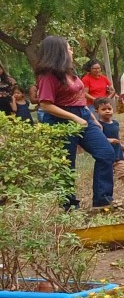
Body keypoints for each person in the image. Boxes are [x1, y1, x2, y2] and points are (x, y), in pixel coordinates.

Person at [34, 34, 117, 208]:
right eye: (69, 48)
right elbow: (46, 105)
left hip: (83, 115)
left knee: (106, 153)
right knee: (66, 165)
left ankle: (103, 201)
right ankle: (70, 208)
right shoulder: (47, 76)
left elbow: (77, 96)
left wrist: (92, 117)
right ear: (59, 52)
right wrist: (73, 117)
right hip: (60, 120)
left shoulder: (69, 71)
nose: (72, 51)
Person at [93, 96, 124, 206]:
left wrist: (121, 145)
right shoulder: (99, 126)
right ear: (96, 111)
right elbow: (98, 139)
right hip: (106, 156)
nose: (107, 111)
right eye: (103, 109)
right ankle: (106, 197)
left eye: (109, 108)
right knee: (106, 177)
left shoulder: (116, 123)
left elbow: (117, 137)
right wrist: (108, 140)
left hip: (118, 154)